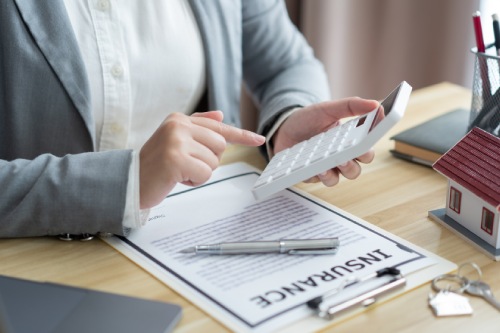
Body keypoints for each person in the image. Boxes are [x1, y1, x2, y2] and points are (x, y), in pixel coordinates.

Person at [0, 0, 378, 238]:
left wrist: (285, 120)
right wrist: (126, 182)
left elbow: (287, 62)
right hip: (37, 261)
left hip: (189, 238)